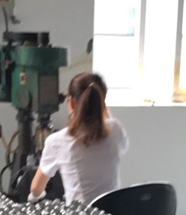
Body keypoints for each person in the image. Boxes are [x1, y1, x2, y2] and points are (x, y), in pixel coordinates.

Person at [29, 72, 129, 205]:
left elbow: (36, 188)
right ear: (103, 103)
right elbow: (123, 146)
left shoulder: (56, 141)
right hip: (113, 214)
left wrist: (35, 197)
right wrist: (104, 112)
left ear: (71, 102)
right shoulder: (116, 128)